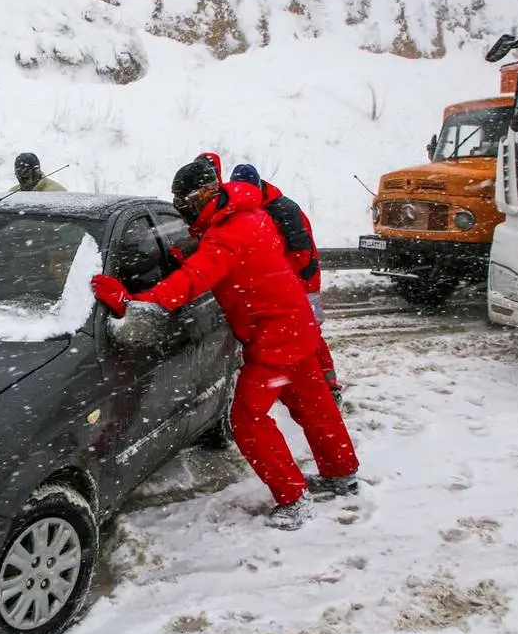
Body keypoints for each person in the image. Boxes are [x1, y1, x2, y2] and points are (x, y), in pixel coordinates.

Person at [91, 161, 359, 529]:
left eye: (182, 203)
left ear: (203, 196)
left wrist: (133, 303)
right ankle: (341, 472)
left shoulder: (230, 234)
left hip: (274, 338)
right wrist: (194, 254)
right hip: (296, 328)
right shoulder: (251, 216)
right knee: (313, 403)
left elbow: (191, 280)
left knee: (247, 420)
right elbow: (220, 261)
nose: (181, 211)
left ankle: (294, 499)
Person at [229, 163, 342, 405]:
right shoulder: (250, 206)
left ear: (257, 188)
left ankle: (329, 386)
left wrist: (283, 282)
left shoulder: (283, 209)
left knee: (309, 333)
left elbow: (301, 253)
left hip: (303, 280)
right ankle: (289, 382)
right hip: (280, 281)